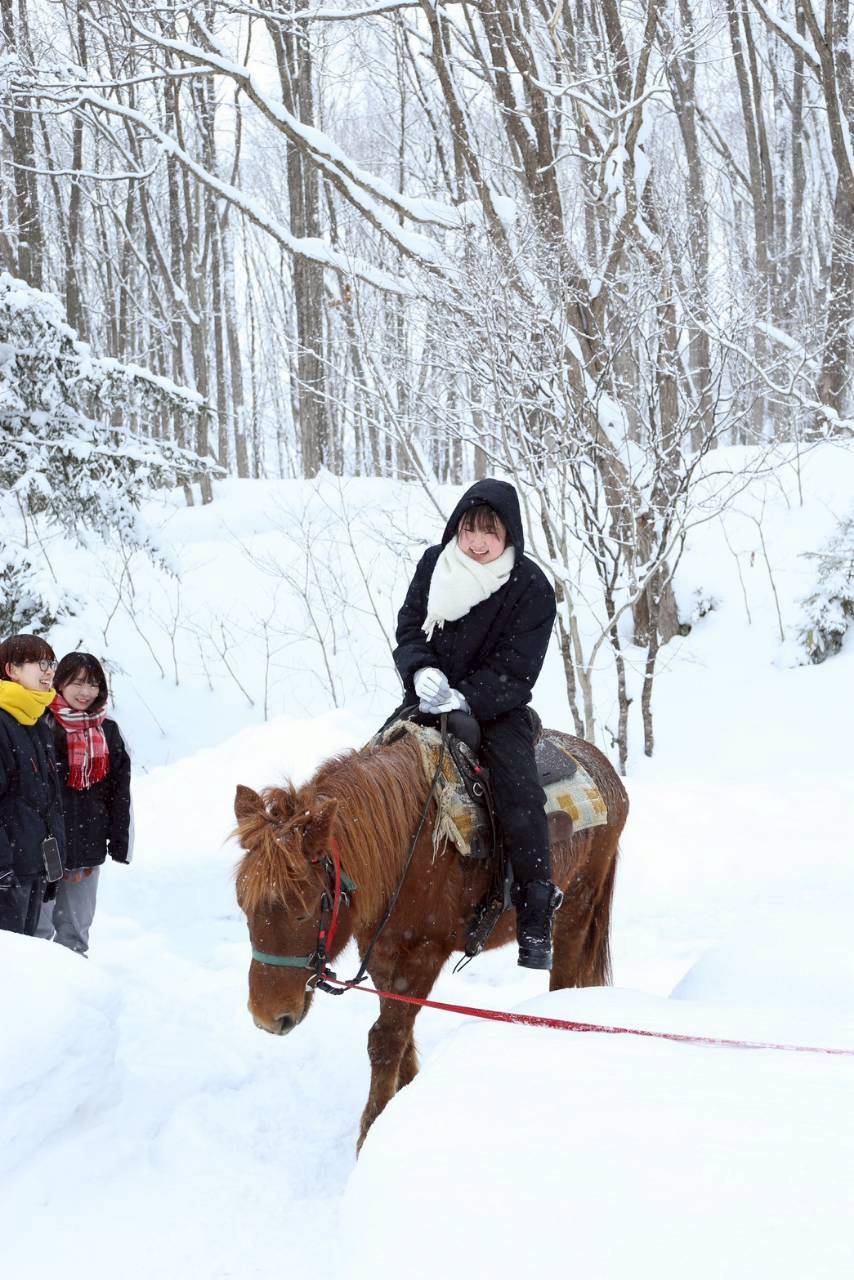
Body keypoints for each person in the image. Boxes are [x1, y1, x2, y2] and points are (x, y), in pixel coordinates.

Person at [392, 478, 561, 970]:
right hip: (429, 698)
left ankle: (534, 913)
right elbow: (409, 626)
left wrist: (466, 697)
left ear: (509, 533)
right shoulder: (434, 564)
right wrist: (420, 669)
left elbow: (518, 667)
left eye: (491, 531)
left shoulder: (531, 587)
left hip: (497, 709)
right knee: (372, 768)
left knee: (520, 797)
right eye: (469, 529)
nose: (477, 542)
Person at [36, 652, 132, 956]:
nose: (85, 692)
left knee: (75, 936)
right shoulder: (40, 723)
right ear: (60, 683)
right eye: (77, 683)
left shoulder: (108, 729)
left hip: (87, 844)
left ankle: (73, 986)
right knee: (35, 933)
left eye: (92, 684)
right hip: (43, 847)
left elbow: (119, 792)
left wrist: (119, 841)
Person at [0, 634, 66, 936]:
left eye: (51, 663)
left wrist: (52, 864)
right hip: (8, 872)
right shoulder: (3, 722)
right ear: (11, 669)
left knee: (25, 954)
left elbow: (48, 801)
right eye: (40, 663)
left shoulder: (36, 721)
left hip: (32, 866)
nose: (49, 670)